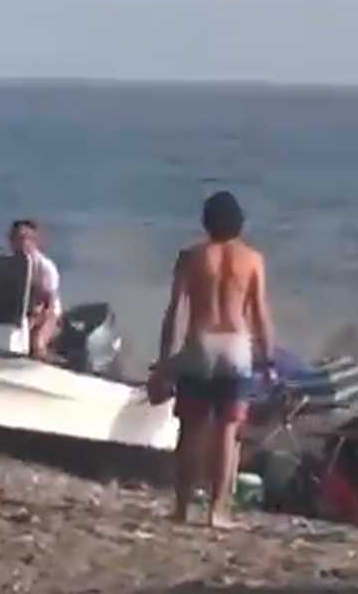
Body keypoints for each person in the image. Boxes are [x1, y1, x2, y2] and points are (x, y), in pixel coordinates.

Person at [149, 191, 275, 529]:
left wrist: (164, 361)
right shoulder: (253, 259)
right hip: (235, 344)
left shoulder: (191, 257)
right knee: (227, 432)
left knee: (191, 429)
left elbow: (175, 311)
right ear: (239, 222)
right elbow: (260, 314)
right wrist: (268, 361)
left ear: (205, 222)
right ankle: (217, 512)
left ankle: (181, 506)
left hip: (200, 342)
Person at [7, 219, 63, 360]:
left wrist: (36, 319)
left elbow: (50, 304)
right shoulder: (9, 265)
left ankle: (49, 361)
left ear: (35, 241)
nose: (21, 243)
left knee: (37, 345)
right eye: (16, 239)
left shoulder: (45, 268)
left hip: (47, 312)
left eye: (25, 239)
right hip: (22, 313)